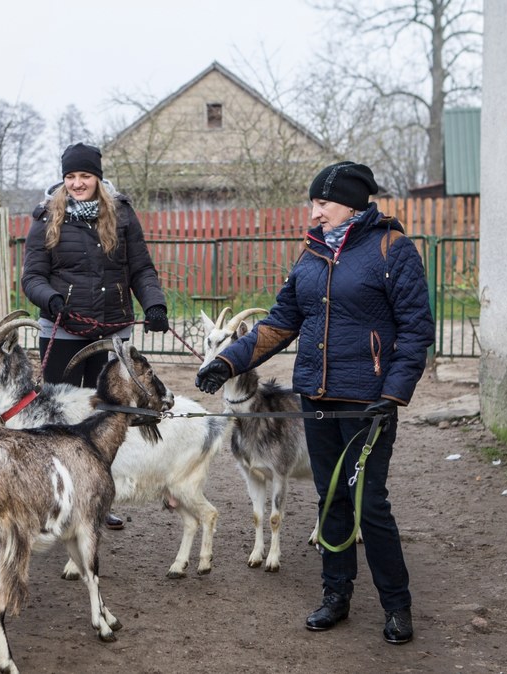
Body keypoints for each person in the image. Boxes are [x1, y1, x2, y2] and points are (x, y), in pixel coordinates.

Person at [194, 161, 433, 644]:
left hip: (368, 404)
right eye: (314, 202)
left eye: (322, 202)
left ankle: (397, 604)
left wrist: (393, 395)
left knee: (371, 504)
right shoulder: (311, 253)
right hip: (317, 399)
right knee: (330, 498)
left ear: (351, 202)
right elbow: (281, 322)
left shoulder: (393, 249)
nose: (315, 210)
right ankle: (336, 594)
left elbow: (415, 330)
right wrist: (230, 362)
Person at [22, 142, 171, 530]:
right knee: (57, 420)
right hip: (63, 331)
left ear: (98, 178)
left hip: (112, 333)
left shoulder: (121, 215)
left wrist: (154, 304)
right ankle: (52, 500)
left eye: (84, 176)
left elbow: (141, 269)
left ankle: (98, 499)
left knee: (107, 418)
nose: (76, 183)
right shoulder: (45, 217)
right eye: (70, 176)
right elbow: (32, 277)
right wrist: (51, 299)